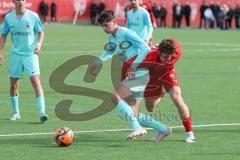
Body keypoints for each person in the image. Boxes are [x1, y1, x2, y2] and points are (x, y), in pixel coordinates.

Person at [90, 10, 170, 141]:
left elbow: (145, 48)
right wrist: (99, 61)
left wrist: (134, 66)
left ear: (115, 22)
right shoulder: (111, 37)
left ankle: (137, 128)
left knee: (115, 97)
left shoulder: (126, 33)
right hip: (135, 74)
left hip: (139, 72)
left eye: (106, 25)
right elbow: (109, 51)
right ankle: (164, 129)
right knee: (134, 114)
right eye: (102, 26)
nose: (104, 28)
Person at [122, 39, 195, 143]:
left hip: (167, 73)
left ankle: (189, 133)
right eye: (163, 57)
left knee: (177, 98)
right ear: (159, 53)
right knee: (150, 108)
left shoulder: (176, 50)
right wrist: (123, 84)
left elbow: (171, 42)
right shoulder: (149, 57)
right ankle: (162, 92)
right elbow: (128, 64)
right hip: (152, 76)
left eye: (168, 57)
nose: (166, 59)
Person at [0, 0, 48, 123]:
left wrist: (39, 44)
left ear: (25, 1)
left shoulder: (33, 16)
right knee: (14, 83)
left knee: (35, 80)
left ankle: (42, 112)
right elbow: (3, 35)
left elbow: (41, 33)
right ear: (13, 2)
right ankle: (16, 112)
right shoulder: (9, 17)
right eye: (18, 0)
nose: (20, 2)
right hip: (16, 55)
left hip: (30, 54)